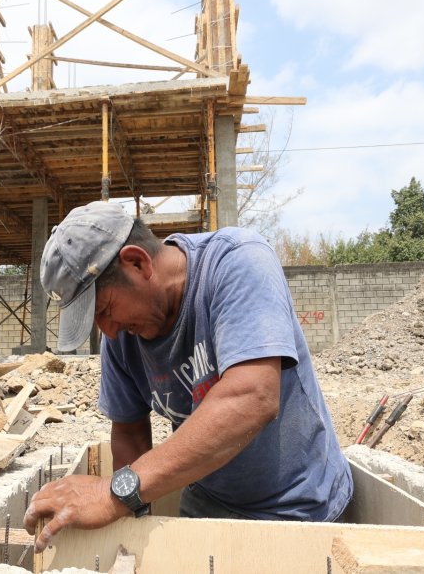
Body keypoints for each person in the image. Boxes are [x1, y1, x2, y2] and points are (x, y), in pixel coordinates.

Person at [23, 201, 353, 550]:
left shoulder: (237, 263)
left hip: (299, 506)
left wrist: (114, 495)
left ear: (137, 262)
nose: (109, 331)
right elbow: (130, 433)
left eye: (105, 310)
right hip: (208, 500)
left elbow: (252, 397)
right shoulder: (122, 340)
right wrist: (130, 530)